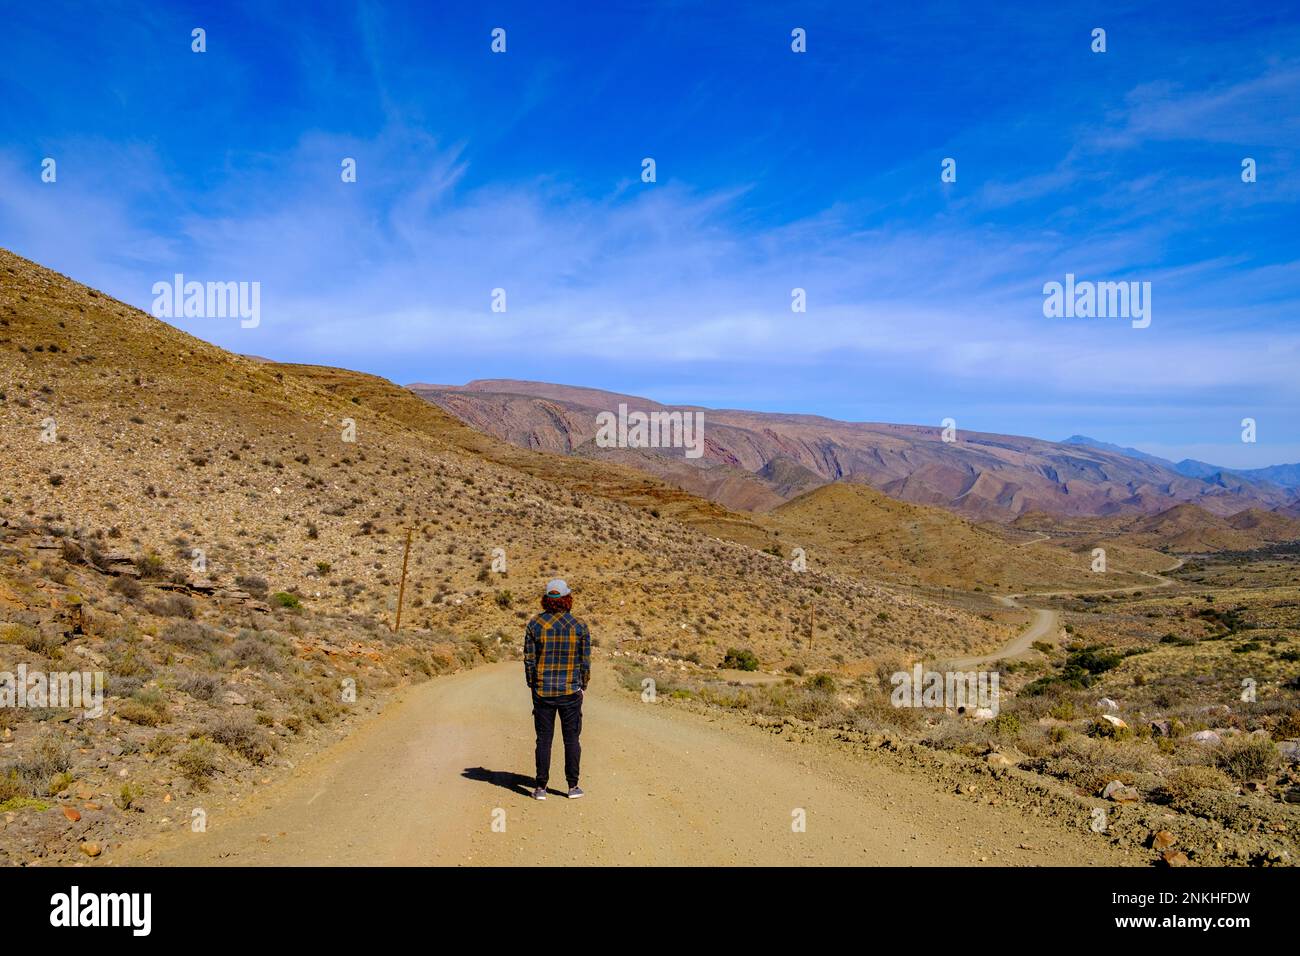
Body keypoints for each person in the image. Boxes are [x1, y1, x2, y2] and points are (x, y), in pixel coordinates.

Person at [523, 578, 591, 800]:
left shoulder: (535, 625)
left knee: (544, 739)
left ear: (547, 600)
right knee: (571, 739)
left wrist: (533, 685)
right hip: (571, 691)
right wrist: (583, 685)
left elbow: (529, 660)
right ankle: (573, 787)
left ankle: (541, 787)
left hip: (543, 691)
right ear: (567, 599)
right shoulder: (579, 626)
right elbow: (585, 661)